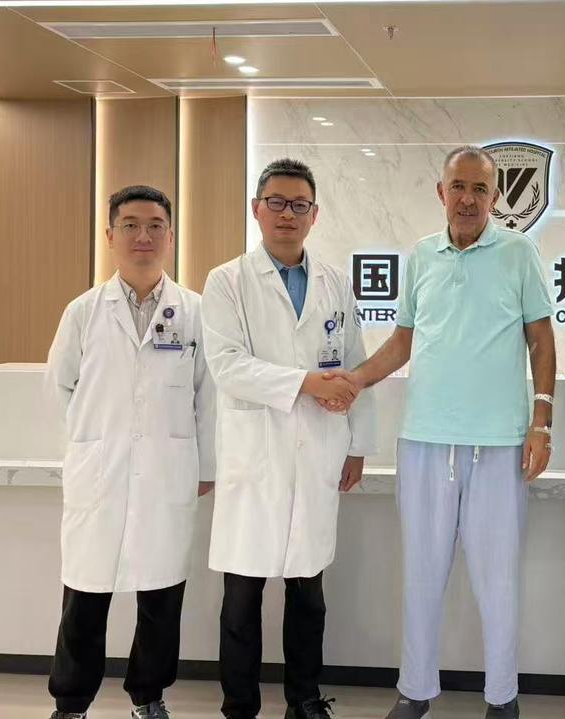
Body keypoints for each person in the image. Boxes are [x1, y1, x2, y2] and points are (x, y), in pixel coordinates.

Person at [331, 146, 555, 719]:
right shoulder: (422, 256)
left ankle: (502, 697)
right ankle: (415, 691)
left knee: (497, 580)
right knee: (421, 575)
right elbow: (404, 340)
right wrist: (356, 379)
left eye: (480, 189)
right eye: (459, 187)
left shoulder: (519, 252)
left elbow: (540, 339)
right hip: (425, 440)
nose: (468, 199)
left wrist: (542, 420)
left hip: (498, 444)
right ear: (441, 192)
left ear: (496, 197)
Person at [201, 158, 375, 719]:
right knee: (241, 597)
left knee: (308, 593)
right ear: (257, 209)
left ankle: (304, 699)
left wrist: (358, 444)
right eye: (276, 202)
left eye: (299, 205)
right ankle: (240, 705)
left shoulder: (334, 282)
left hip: (319, 449)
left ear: (314, 215)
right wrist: (305, 383)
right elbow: (227, 366)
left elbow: (357, 364)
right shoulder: (227, 281)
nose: (287, 214)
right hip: (255, 456)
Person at [45, 185, 216, 719]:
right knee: (85, 595)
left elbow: (209, 395)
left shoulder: (195, 312)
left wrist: (206, 465)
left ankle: (149, 697)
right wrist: (89, 447)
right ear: (110, 235)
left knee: (161, 596)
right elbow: (59, 388)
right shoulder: (83, 311)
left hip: (168, 471)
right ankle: (71, 704)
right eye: (131, 225)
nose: (144, 235)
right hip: (100, 471)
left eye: (155, 225)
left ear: (170, 234)